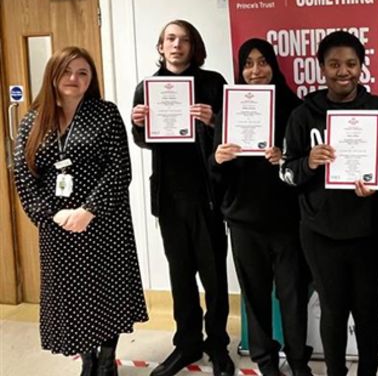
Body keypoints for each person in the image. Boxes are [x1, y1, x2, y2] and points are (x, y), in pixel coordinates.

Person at [13, 46, 148, 376]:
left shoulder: (105, 113)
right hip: (58, 226)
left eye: (83, 73)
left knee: (107, 289)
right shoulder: (33, 117)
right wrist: (50, 215)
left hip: (104, 221)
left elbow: (119, 170)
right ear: (53, 75)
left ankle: (107, 359)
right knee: (74, 296)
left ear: (91, 79)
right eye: (67, 71)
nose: (74, 78)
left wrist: (88, 210)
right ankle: (88, 359)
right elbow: (22, 172)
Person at [280, 30, 378, 376]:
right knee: (333, 311)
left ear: (362, 67)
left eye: (351, 63)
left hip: (370, 231)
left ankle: (368, 372)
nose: (343, 71)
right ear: (321, 67)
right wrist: (308, 162)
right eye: (334, 64)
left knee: (367, 310)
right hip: (320, 233)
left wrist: (377, 188)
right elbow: (286, 173)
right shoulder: (303, 115)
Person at [131, 20, 234, 376]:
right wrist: (139, 125)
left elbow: (231, 131)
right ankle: (187, 343)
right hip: (170, 199)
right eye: (170, 39)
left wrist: (213, 120)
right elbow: (143, 141)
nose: (177, 45)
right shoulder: (147, 88)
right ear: (161, 47)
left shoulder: (212, 82)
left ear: (194, 46)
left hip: (207, 197)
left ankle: (218, 344)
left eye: (184, 39)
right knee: (180, 277)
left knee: (215, 278)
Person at [210, 38, 313, 376]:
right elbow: (213, 175)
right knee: (254, 299)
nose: (256, 70)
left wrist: (285, 159)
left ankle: (298, 363)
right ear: (240, 70)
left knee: (293, 297)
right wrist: (219, 159)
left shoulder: (296, 110)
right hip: (244, 222)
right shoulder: (228, 111)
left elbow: (306, 168)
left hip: (287, 221)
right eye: (248, 63)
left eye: (263, 61)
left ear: (274, 65)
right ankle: (266, 363)